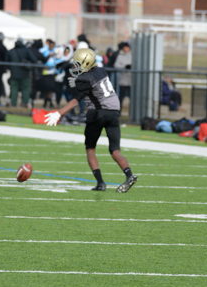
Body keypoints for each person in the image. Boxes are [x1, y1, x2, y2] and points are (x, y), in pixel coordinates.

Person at [44, 47, 137, 193]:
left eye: (78, 63)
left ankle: (100, 183)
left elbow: (76, 100)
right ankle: (129, 175)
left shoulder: (84, 79)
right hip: (114, 112)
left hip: (98, 113)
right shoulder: (101, 70)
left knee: (90, 148)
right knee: (115, 150)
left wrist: (59, 113)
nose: (76, 66)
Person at [6, 38, 39, 107]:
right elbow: (34, 60)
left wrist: (11, 68)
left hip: (14, 74)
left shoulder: (11, 51)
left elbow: (6, 62)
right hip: (25, 73)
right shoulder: (26, 51)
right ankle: (25, 103)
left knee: (14, 89)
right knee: (25, 89)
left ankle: (13, 104)